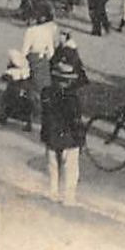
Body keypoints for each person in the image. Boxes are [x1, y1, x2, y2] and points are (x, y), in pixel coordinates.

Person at [40, 61, 85, 206]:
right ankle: (68, 198)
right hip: (69, 138)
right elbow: (76, 121)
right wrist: (81, 139)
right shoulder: (72, 98)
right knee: (70, 169)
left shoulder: (46, 93)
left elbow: (45, 115)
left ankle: (52, 193)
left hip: (51, 136)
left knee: (52, 167)